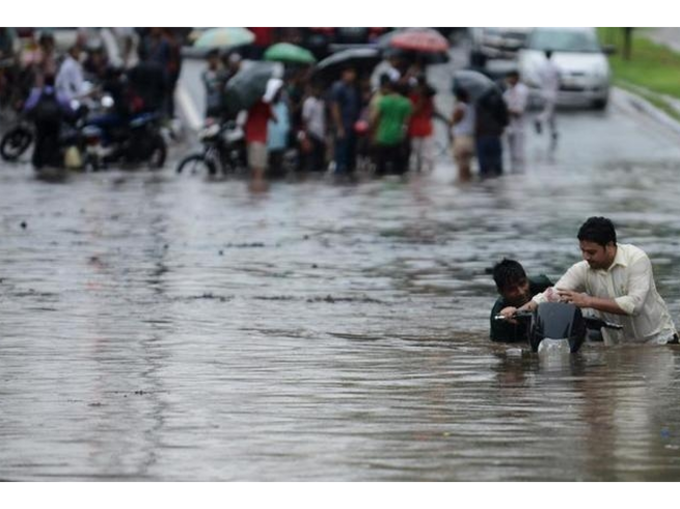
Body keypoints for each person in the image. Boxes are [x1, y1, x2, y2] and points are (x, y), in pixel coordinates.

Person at [505, 217, 679, 345]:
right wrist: (518, 311)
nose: (586, 256)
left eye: (592, 252)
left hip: (658, 343)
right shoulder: (583, 269)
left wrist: (588, 301)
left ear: (610, 246)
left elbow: (634, 305)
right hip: (618, 347)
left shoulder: (636, 259)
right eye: (583, 251)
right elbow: (551, 295)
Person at [490, 259, 553, 343]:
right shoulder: (498, 316)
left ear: (527, 280)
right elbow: (499, 347)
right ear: (501, 292)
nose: (521, 292)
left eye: (522, 284)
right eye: (512, 289)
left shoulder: (541, 284)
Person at [23, 74, 75, 169]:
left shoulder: (37, 92)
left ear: (44, 82)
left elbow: (28, 107)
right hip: (54, 123)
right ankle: (53, 161)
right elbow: (68, 109)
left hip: (40, 122)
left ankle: (37, 163)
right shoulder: (60, 94)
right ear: (54, 82)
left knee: (39, 140)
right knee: (55, 140)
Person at [370, 74, 412, 176]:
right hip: (397, 138)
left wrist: (374, 134)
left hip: (382, 137)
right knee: (398, 171)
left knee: (380, 170)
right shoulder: (406, 103)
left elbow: (374, 119)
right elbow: (406, 123)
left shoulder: (383, 101)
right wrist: (403, 135)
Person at [245, 78, 280, 182]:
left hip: (250, 139)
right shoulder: (265, 104)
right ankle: (258, 194)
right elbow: (275, 119)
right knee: (260, 170)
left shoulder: (249, 103)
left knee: (253, 168)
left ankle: (252, 193)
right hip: (260, 139)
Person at [330, 66, 360, 174]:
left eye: (353, 73)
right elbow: (335, 107)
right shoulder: (338, 87)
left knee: (350, 156)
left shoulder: (352, 89)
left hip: (352, 126)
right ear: (343, 73)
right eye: (349, 72)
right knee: (341, 155)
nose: (352, 75)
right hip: (343, 126)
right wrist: (339, 127)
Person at [475, 89, 508, 178]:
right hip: (495, 135)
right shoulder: (499, 102)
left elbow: (475, 122)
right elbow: (505, 121)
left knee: (483, 168)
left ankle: (485, 184)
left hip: (482, 135)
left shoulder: (478, 102)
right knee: (497, 166)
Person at [408, 75, 436, 173]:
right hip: (419, 129)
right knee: (419, 155)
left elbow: (414, 112)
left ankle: (424, 175)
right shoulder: (414, 97)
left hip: (421, 129)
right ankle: (422, 175)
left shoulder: (427, 98)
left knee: (425, 156)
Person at [502, 70, 529, 171]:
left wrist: (507, 111)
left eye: (510, 78)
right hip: (510, 126)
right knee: (511, 154)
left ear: (516, 78)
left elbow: (519, 111)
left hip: (519, 127)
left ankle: (520, 176)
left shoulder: (521, 90)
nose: (508, 80)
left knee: (519, 154)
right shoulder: (507, 92)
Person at [534, 49, 560, 143]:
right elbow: (559, 76)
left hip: (543, 92)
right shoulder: (555, 66)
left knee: (552, 114)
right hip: (552, 93)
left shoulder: (541, 66)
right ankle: (539, 120)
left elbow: (537, 76)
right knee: (548, 112)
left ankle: (554, 132)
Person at [301, 81, 327, 172]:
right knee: (312, 163)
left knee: (320, 162)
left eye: (320, 90)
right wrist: (306, 138)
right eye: (317, 89)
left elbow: (323, 119)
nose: (318, 91)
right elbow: (305, 121)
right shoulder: (308, 102)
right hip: (312, 134)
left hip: (321, 135)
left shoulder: (322, 102)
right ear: (313, 90)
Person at [451, 87, 475, 182]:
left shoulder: (460, 106)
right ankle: (467, 182)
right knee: (467, 163)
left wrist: (451, 120)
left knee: (460, 163)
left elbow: (455, 120)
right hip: (470, 137)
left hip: (461, 137)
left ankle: (462, 183)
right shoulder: (472, 106)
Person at [202, 49, 226, 118]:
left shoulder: (222, 71)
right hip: (211, 104)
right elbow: (210, 85)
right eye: (211, 58)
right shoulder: (206, 73)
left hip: (221, 104)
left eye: (215, 58)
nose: (213, 61)